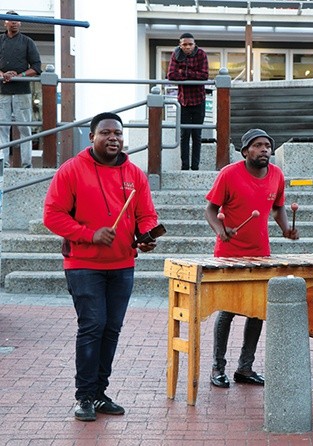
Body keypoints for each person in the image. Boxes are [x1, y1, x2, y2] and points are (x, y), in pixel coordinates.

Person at [43, 112, 159, 421]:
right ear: (92, 136)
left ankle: (99, 393)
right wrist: (89, 234)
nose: (114, 138)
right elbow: (53, 215)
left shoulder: (135, 174)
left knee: (111, 329)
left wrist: (146, 235)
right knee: (93, 326)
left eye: (118, 133)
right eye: (106, 132)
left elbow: (146, 214)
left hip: (122, 264)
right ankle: (84, 396)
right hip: (83, 265)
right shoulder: (71, 171)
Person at [205, 128, 299, 388]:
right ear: (245, 151)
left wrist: (285, 229)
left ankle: (245, 368)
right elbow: (211, 209)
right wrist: (220, 231)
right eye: (258, 146)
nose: (264, 150)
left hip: (260, 252)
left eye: (267, 146)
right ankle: (217, 367)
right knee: (228, 309)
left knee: (256, 311)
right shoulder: (229, 174)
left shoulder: (277, 176)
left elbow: (279, 206)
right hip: (229, 252)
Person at [0, 10, 42, 168]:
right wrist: (3, 74)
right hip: (2, 92)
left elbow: (37, 67)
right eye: (10, 21)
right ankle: (3, 164)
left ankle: (26, 164)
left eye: (17, 21)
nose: (14, 23)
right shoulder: (0, 41)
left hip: (22, 91)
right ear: (5, 22)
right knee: (2, 128)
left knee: (25, 128)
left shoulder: (27, 42)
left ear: (20, 23)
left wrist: (19, 75)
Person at [166, 32, 209, 171]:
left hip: (199, 100)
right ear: (180, 44)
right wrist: (191, 75)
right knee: (184, 135)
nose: (187, 47)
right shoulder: (176, 54)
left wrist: (183, 73)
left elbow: (204, 76)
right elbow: (171, 75)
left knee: (197, 135)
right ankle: (184, 167)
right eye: (184, 44)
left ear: (194, 44)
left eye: (190, 44)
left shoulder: (201, 54)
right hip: (183, 101)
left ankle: (195, 167)